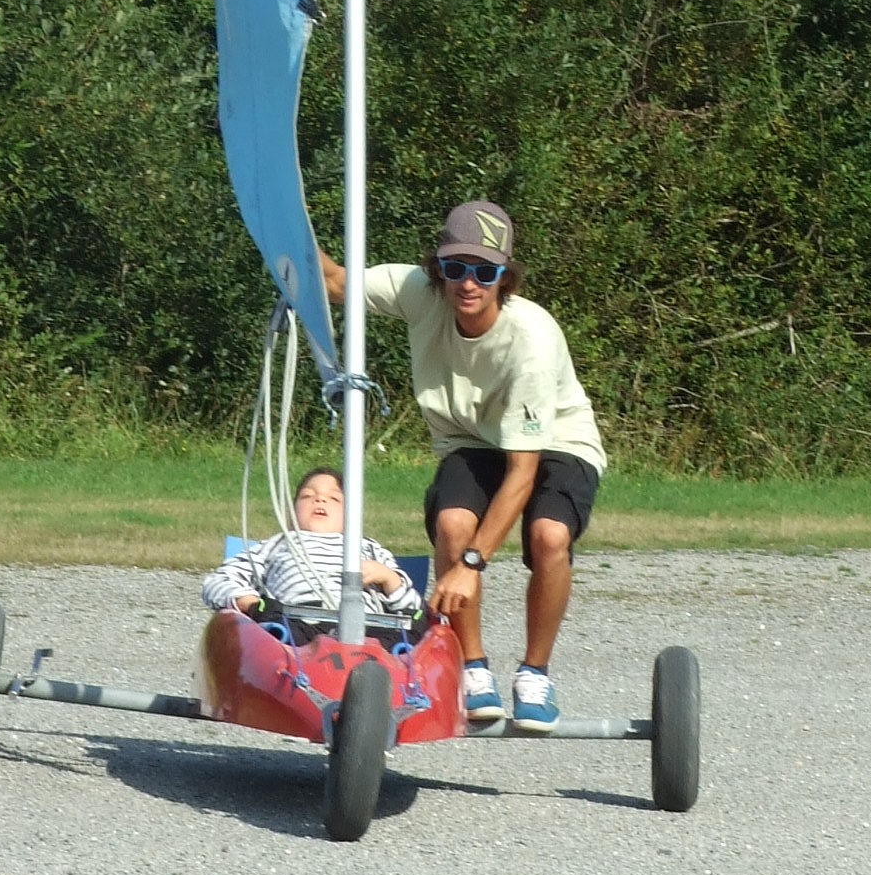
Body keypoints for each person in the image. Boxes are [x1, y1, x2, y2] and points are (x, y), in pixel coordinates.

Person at [319, 201, 605, 730]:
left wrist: (471, 567)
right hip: (470, 438)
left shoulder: (532, 343)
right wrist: (280, 219)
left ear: (505, 278)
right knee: (453, 525)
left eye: (483, 271)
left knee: (547, 535)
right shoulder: (416, 292)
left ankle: (534, 673)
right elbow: (334, 283)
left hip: (557, 439)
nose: (467, 284)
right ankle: (474, 669)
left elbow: (523, 472)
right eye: (455, 268)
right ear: (437, 270)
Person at [203, 464, 425, 632]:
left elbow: (413, 609)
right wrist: (254, 605)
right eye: (308, 496)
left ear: (352, 515)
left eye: (334, 498)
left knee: (417, 630)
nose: (319, 500)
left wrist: (388, 578)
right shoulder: (277, 545)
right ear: (291, 515)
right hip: (292, 627)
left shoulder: (369, 548)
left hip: (366, 629)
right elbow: (217, 583)